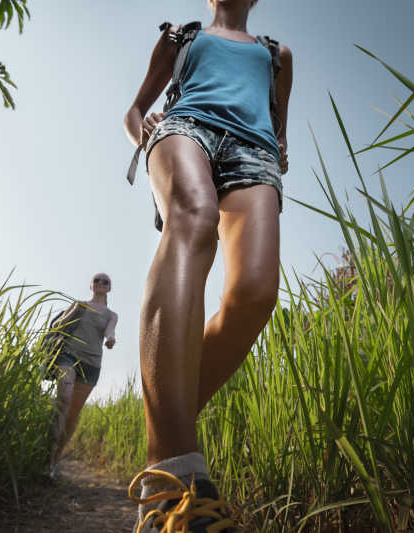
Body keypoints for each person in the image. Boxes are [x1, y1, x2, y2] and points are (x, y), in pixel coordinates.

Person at [123, 0, 292, 530]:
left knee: (256, 292)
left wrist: (279, 149)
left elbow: (278, 130)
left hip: (254, 152)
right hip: (185, 130)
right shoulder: (181, 38)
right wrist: (143, 136)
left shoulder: (277, 55)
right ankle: (175, 478)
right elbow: (133, 110)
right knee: (193, 219)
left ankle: (163, 427)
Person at [49, 273, 118, 473]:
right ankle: (47, 455)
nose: (101, 283)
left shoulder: (111, 314)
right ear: (91, 285)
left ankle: (56, 459)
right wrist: (74, 311)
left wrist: (111, 340)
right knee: (63, 398)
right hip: (68, 356)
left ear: (109, 288)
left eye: (105, 282)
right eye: (97, 280)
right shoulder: (79, 305)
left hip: (91, 364)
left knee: (72, 414)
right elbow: (57, 326)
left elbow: (109, 331)